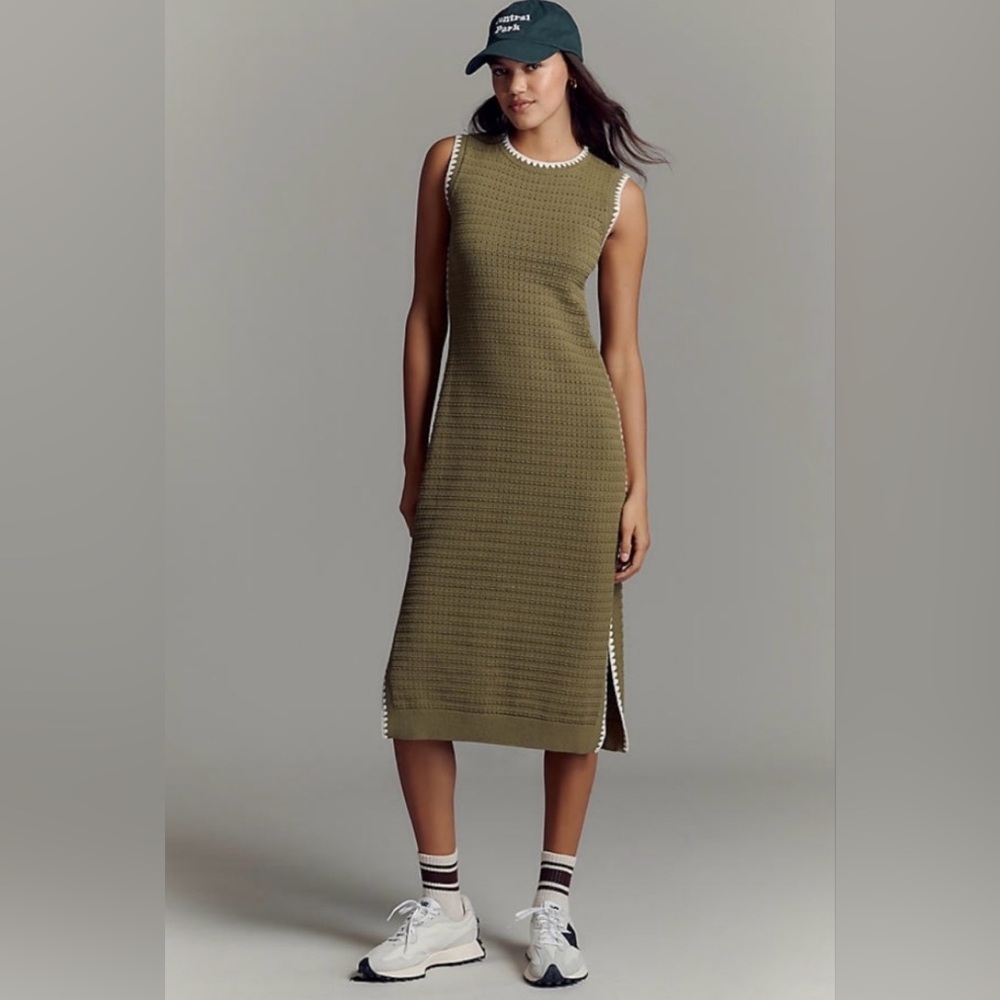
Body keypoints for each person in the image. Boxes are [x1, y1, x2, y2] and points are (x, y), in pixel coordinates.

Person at [355, 0, 668, 987]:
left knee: (571, 688)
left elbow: (621, 355)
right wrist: (416, 461)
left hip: (578, 461)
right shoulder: (451, 166)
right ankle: (445, 907)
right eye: (500, 69)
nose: (515, 84)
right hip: (471, 453)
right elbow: (425, 316)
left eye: (531, 66)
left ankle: (552, 911)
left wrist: (638, 488)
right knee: (418, 682)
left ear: (569, 67)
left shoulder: (615, 198)